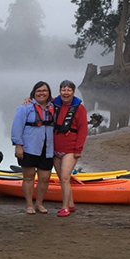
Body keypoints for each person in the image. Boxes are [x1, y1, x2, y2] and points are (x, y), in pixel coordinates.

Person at [11, 81, 55, 214]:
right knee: (29, 177)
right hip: (29, 148)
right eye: (39, 91)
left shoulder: (53, 107)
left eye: (44, 91)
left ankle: (39, 204)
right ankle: (29, 205)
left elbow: (67, 98)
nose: (42, 93)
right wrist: (18, 146)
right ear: (34, 93)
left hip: (47, 148)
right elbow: (16, 128)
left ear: (49, 93)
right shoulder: (25, 107)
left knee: (45, 177)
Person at [52, 80, 88, 217]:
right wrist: (28, 99)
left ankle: (65, 207)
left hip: (70, 150)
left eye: (68, 90)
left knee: (65, 178)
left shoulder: (79, 108)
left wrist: (78, 150)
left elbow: (83, 130)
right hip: (55, 149)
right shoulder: (54, 103)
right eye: (63, 90)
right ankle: (71, 204)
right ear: (60, 91)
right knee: (62, 178)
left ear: (73, 92)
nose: (65, 93)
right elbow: (39, 99)